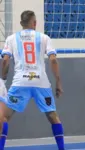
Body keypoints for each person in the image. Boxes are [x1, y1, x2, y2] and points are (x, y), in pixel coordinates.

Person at [0, 10, 65, 150]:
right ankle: (62, 148)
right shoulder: (44, 37)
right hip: (40, 82)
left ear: (21, 23)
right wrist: (58, 81)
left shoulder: (11, 38)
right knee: (53, 116)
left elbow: (5, 61)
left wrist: (3, 78)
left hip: (20, 82)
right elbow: (53, 60)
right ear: (34, 23)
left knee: (4, 117)